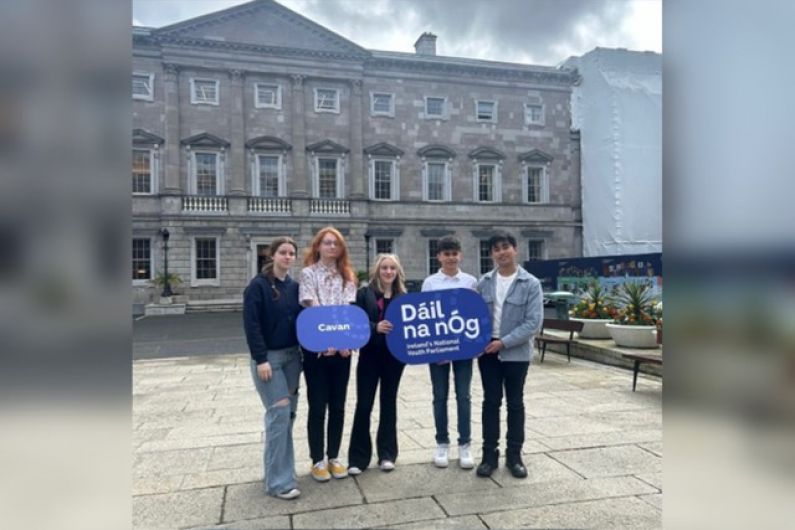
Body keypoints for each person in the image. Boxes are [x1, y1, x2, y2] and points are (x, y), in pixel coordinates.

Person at [475, 231, 543, 479]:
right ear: (491, 254)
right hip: (487, 352)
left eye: (505, 247)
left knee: (515, 403)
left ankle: (514, 456)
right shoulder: (483, 282)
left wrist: (503, 343)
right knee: (490, 403)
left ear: (515, 249)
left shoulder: (531, 283)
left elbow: (533, 323)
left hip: (516, 353)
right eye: (496, 249)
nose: (501, 252)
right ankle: (488, 456)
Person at [242, 236, 303, 500]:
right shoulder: (258, 286)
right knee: (278, 415)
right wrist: (261, 359)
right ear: (272, 255)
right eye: (283, 252)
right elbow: (251, 324)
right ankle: (278, 482)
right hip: (270, 360)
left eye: (291, 253)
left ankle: (280, 470)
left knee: (287, 417)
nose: (288, 257)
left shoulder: (295, 287)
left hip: (293, 358)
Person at [298, 226, 357, 482]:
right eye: (327, 243)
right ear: (318, 246)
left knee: (338, 405)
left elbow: (348, 312)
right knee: (317, 405)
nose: (332, 247)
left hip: (342, 351)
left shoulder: (347, 277)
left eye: (336, 243)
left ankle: (334, 456)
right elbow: (312, 308)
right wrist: (326, 340)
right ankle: (317, 460)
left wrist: (343, 342)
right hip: (317, 349)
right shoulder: (308, 274)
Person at [347, 254, 407, 475]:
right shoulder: (364, 294)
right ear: (377, 270)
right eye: (384, 268)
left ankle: (387, 454)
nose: (388, 272)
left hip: (394, 358)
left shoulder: (403, 297)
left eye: (392, 268)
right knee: (364, 404)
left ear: (397, 272)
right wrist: (375, 328)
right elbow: (356, 322)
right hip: (370, 356)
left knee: (388, 403)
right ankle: (357, 458)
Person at [421, 235, 477, 469]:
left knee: (463, 397)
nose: (451, 258)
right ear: (439, 257)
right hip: (438, 350)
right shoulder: (430, 282)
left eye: (454, 253)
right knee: (440, 397)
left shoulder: (471, 282)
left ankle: (465, 444)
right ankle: (442, 442)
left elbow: (475, 315)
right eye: (446, 254)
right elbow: (424, 317)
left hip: (463, 348)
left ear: (460, 255)